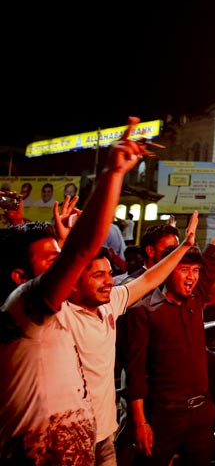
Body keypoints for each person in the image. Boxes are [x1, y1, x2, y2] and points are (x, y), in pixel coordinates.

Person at [0, 116, 144, 465]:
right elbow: (81, 252)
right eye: (54, 260)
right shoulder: (24, 310)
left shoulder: (60, 310)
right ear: (20, 277)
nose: (70, 267)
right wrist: (112, 175)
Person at [122, 183, 215, 466]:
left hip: (201, 413)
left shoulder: (195, 299)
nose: (191, 278)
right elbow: (134, 376)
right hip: (164, 415)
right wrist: (139, 422)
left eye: (195, 272)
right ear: (168, 270)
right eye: (184, 270)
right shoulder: (143, 311)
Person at [62, 212, 199, 465]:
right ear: (72, 282)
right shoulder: (60, 315)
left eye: (108, 273)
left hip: (105, 431)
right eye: (97, 275)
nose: (108, 281)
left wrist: (187, 246)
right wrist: (67, 241)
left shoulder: (111, 301)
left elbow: (150, 278)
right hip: (67, 436)